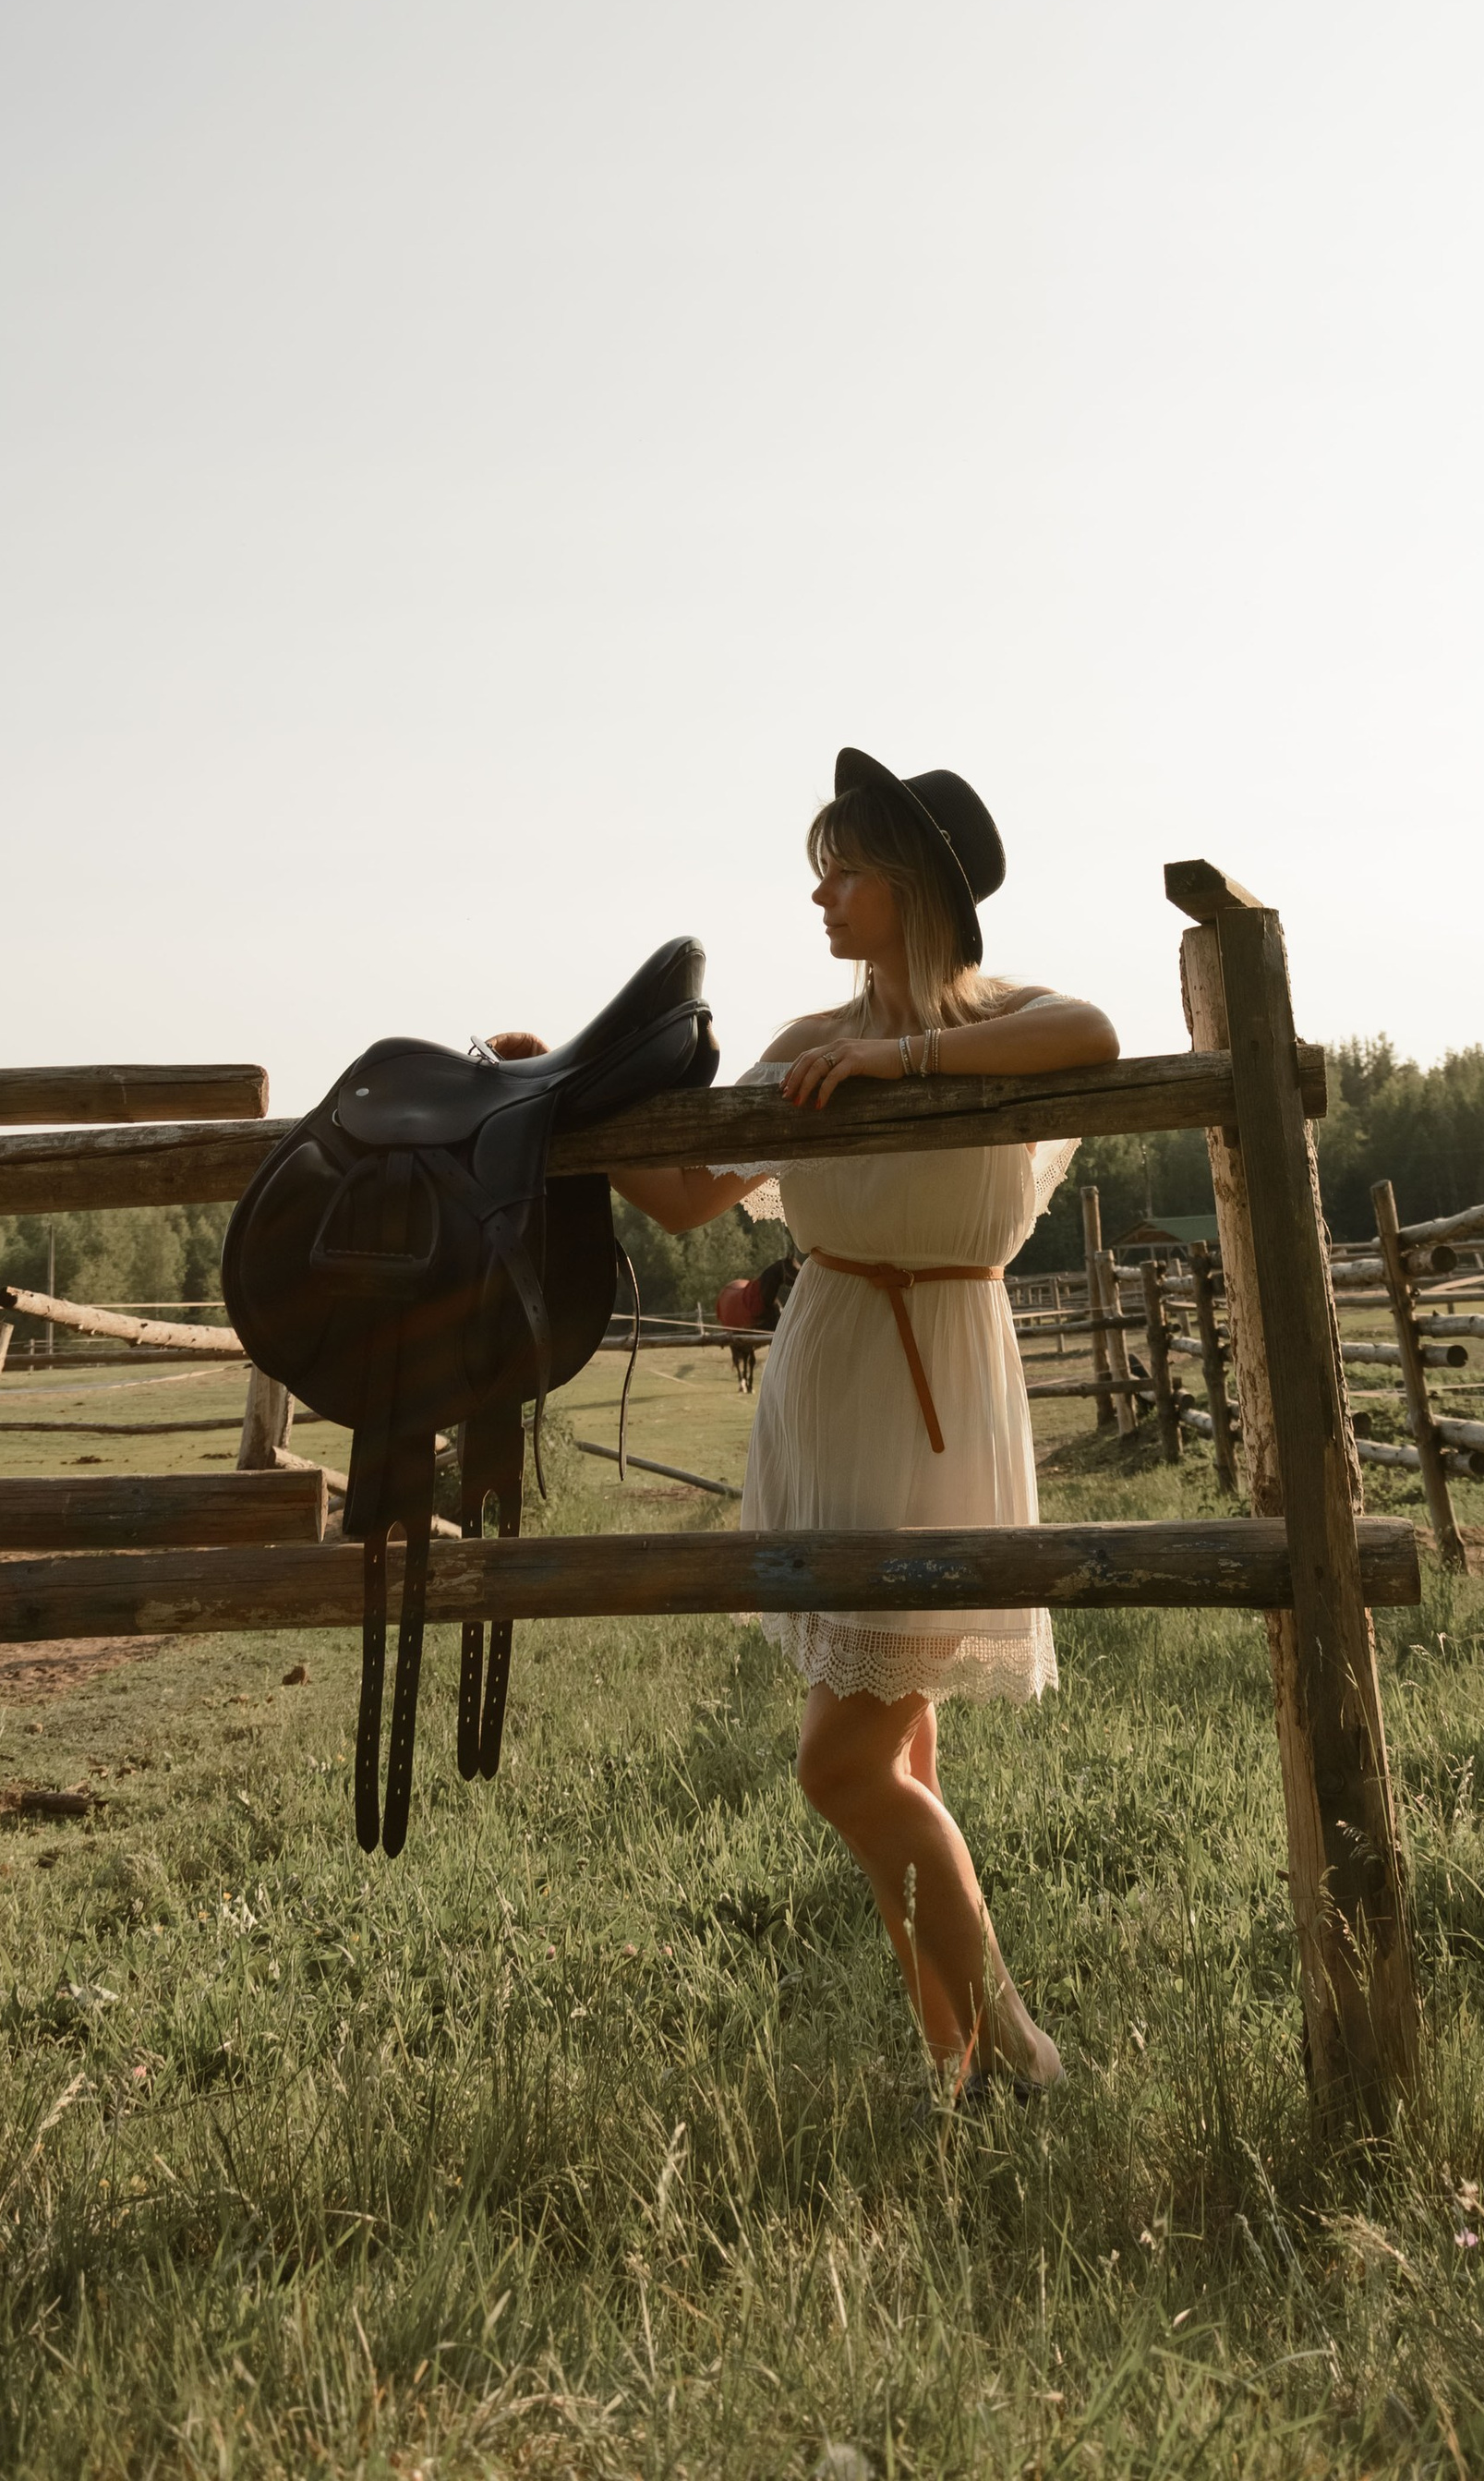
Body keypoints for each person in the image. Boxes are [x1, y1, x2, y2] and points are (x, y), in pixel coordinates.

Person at [525, 746, 1116, 2098]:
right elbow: (684, 1198)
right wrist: (559, 1104)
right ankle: (956, 2058)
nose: (821, 898)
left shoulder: (1006, 1019)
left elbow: (1091, 1037)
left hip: (936, 1398)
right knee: (888, 1756)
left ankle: (1022, 2053)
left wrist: (905, 1060)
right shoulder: (803, 1048)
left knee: (842, 1766)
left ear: (912, 886)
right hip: (834, 1373)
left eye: (840, 872)